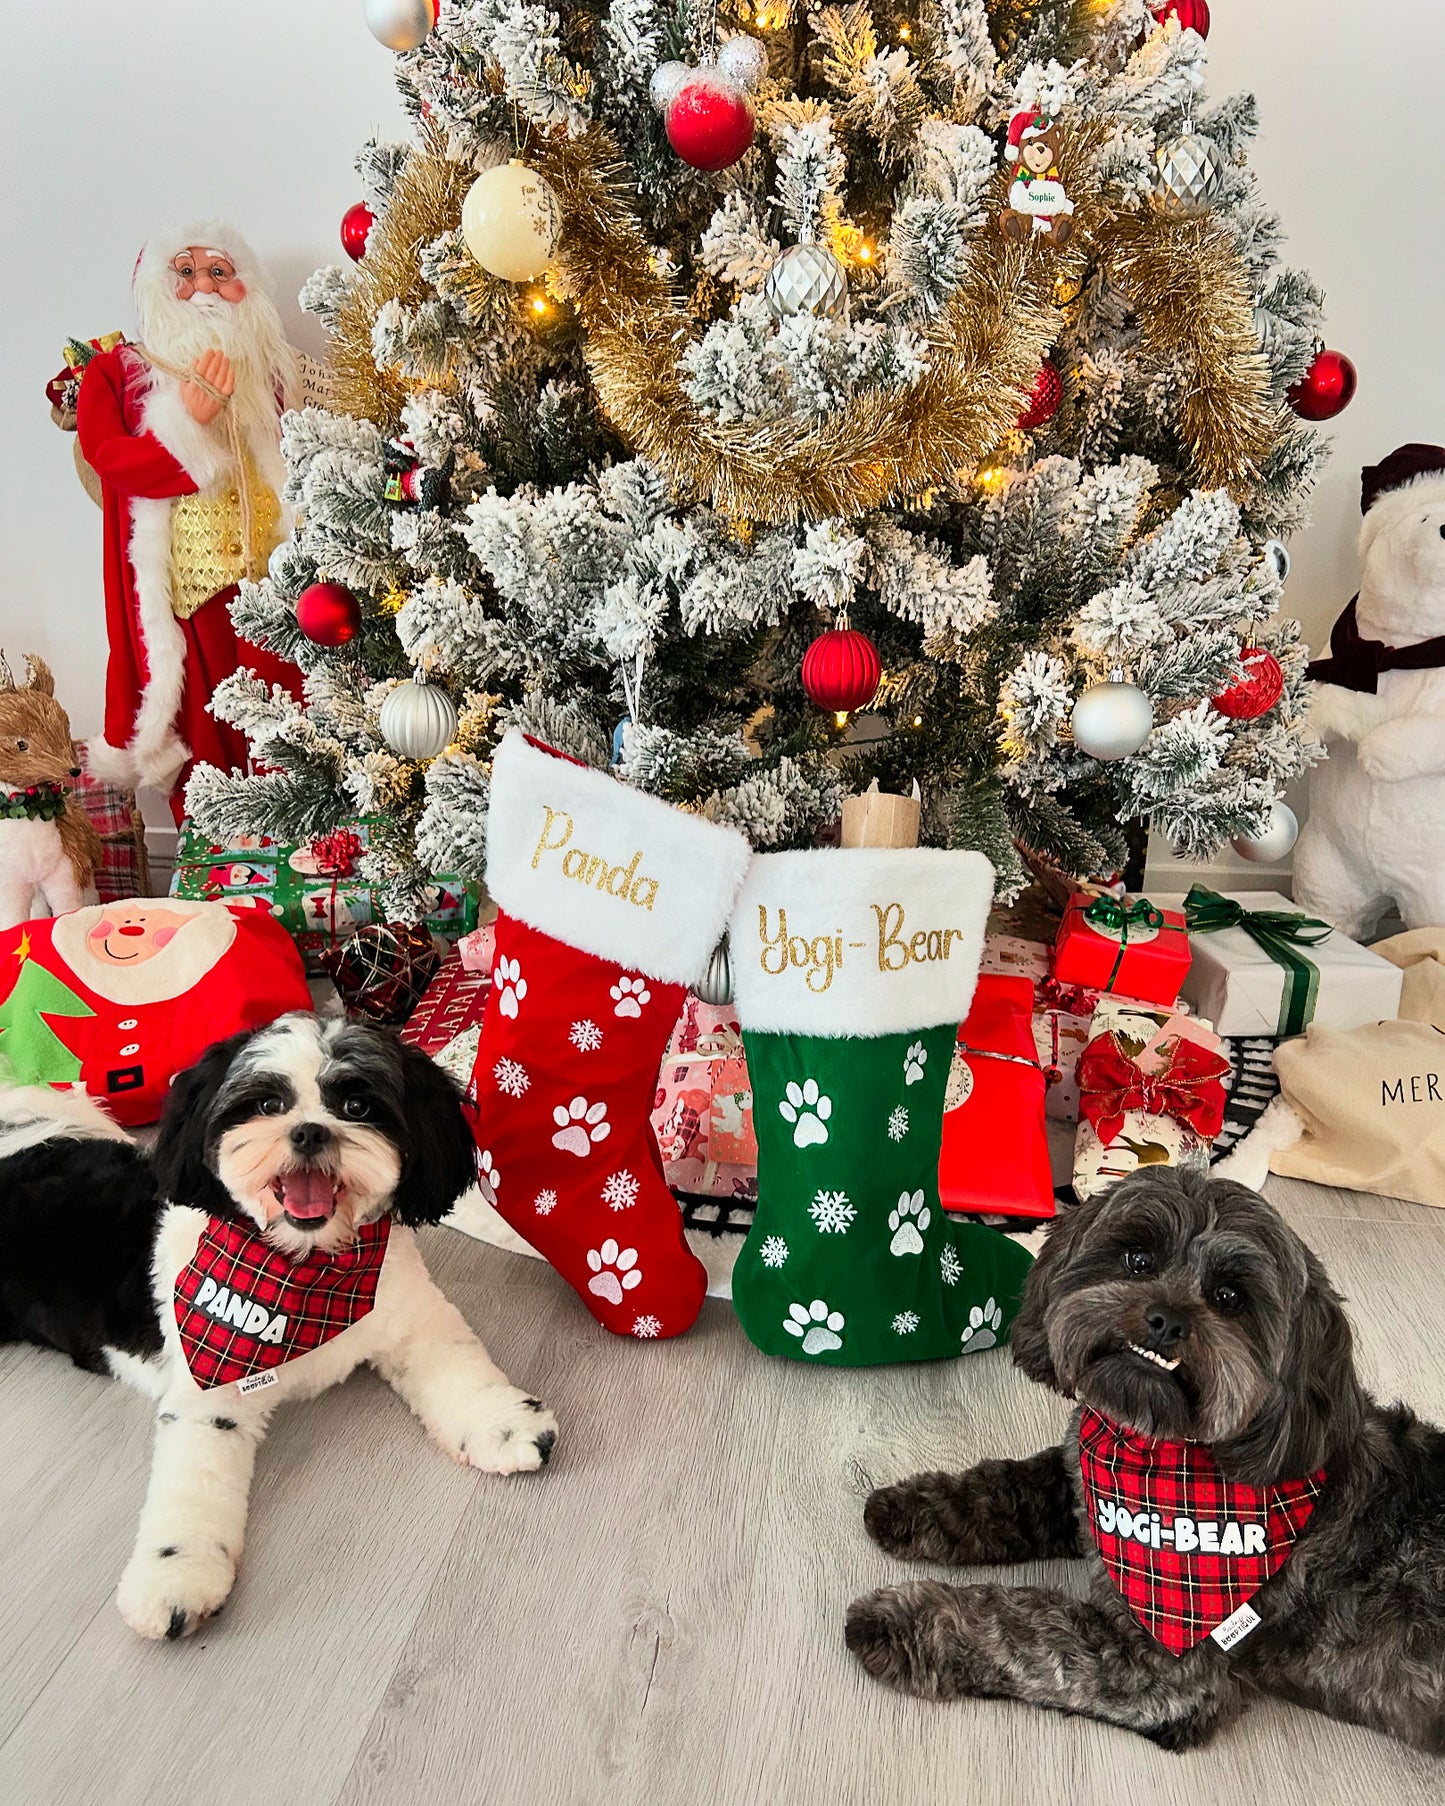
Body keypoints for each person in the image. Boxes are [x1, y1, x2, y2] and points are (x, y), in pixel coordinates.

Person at [77, 225, 302, 821]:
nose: (203, 282)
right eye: (185, 271)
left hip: (274, 588)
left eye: (220, 272)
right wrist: (184, 422)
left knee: (292, 735)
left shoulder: (275, 377)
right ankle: (214, 885)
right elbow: (109, 456)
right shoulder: (116, 372)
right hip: (184, 594)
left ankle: (299, 869)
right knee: (203, 747)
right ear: (155, 285)